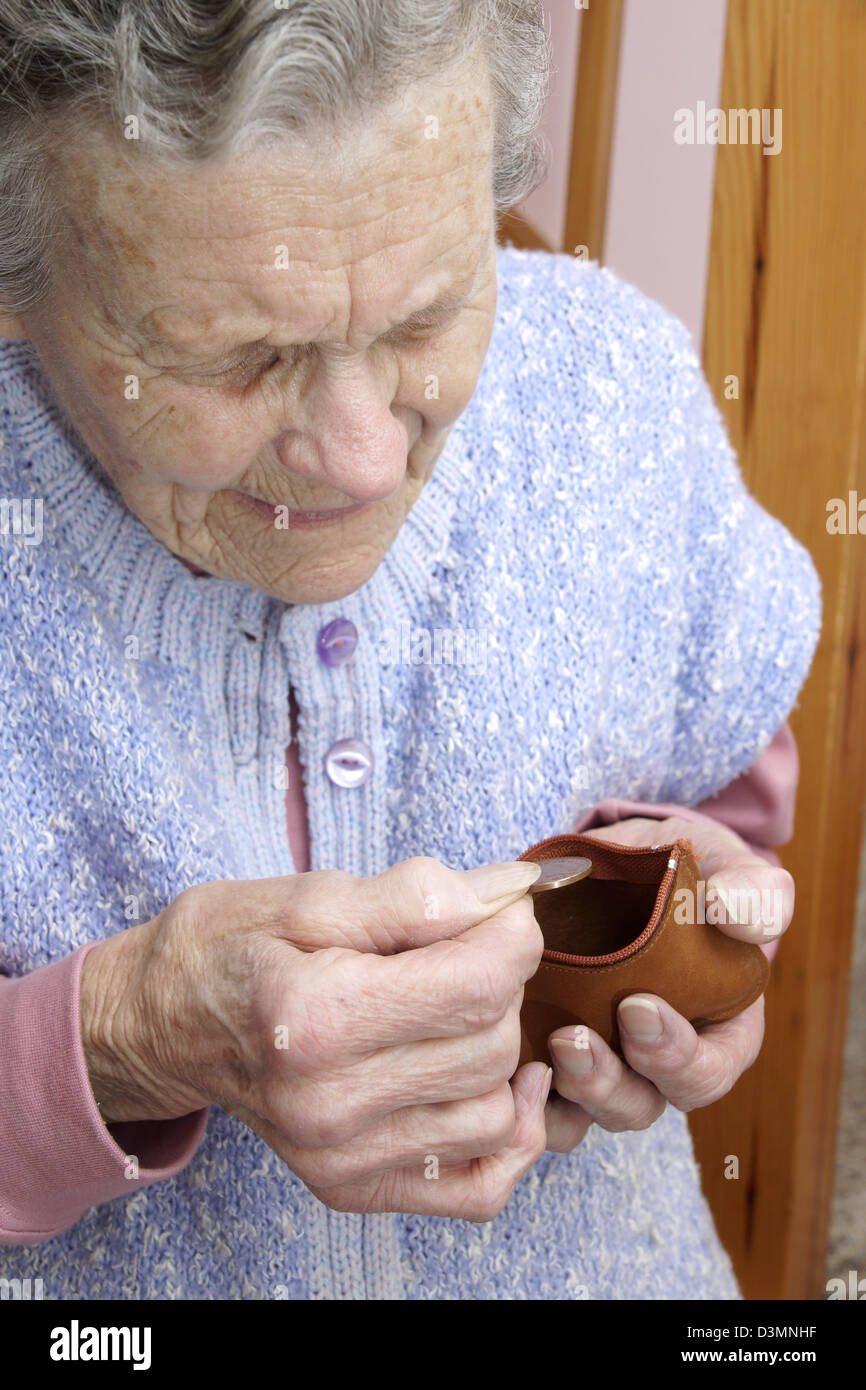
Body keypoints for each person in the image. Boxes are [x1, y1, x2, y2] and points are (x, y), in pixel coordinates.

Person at [0, 0, 820, 1299]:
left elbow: (732, 804)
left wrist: (670, 915)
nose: (368, 458)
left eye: (427, 315)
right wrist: (117, 1039)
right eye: (237, 356)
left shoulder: (615, 394)